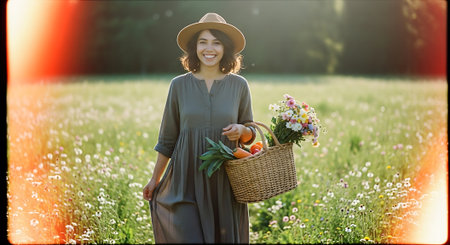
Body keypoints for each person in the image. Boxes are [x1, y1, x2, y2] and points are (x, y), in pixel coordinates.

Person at [142, 13, 256, 243]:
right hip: (186, 179)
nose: (209, 48)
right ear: (195, 48)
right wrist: (155, 179)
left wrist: (242, 131)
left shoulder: (239, 85)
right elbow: (167, 139)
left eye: (216, 42)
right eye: (203, 42)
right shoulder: (179, 85)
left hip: (225, 180)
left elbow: (251, 131)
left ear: (226, 48)